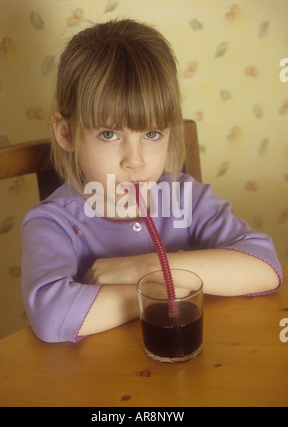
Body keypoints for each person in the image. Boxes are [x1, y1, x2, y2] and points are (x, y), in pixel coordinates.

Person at [21, 19, 282, 343]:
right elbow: (52, 317)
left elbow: (265, 267)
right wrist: (169, 287)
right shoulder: (52, 223)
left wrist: (140, 268)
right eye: (109, 133)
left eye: (152, 133)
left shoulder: (186, 197)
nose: (136, 160)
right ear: (66, 133)